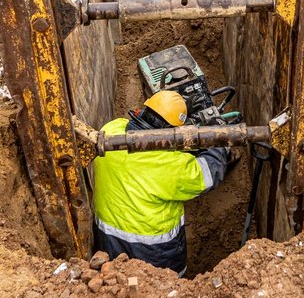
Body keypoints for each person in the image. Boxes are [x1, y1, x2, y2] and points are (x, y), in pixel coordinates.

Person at [93, 91, 229, 275]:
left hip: (107, 239)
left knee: (118, 282)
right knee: (166, 286)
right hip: (155, 250)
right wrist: (217, 139)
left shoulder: (110, 130)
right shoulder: (170, 166)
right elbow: (210, 171)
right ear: (172, 132)